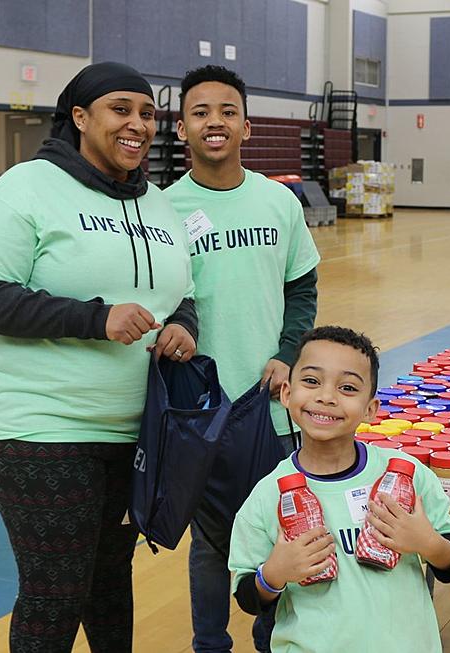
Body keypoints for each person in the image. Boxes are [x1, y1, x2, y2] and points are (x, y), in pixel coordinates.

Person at [0, 61, 197, 652]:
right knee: (55, 588)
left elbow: (179, 292)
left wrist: (183, 326)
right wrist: (96, 317)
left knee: (110, 581)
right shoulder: (25, 187)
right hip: (39, 425)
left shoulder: (159, 203)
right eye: (121, 110)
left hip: (133, 430)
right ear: (80, 118)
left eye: (147, 113)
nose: (138, 124)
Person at [163, 64, 321, 653]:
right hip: (202, 409)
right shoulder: (162, 208)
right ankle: (210, 644)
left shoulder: (278, 201)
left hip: (273, 405)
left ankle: (271, 637)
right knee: (210, 543)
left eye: (227, 111)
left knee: (281, 532)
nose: (215, 122)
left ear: (247, 126)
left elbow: (300, 289)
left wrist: (288, 354)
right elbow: (160, 296)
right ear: (181, 128)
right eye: (200, 112)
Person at [228, 326, 450, 652]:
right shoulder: (268, 495)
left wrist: (427, 543)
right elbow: (248, 597)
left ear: (370, 409)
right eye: (311, 381)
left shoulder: (405, 475)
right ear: (287, 393)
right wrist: (274, 573)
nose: (326, 397)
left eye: (347, 387)